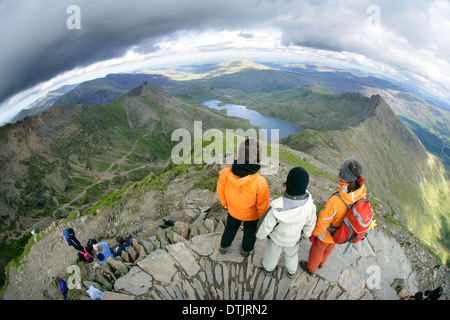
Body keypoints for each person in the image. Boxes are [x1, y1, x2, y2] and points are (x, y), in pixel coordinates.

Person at [300, 157, 366, 275]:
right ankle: (322, 263)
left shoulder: (336, 201)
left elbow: (324, 220)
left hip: (328, 232)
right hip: (342, 231)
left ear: (342, 176)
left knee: (317, 249)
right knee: (330, 247)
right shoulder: (361, 191)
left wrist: (315, 234)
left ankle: (311, 268)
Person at [256, 167, 317, 278]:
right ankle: (291, 271)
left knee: (272, 253)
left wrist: (260, 235)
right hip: (293, 239)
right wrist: (305, 235)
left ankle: (268, 269)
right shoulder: (310, 207)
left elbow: (266, 225)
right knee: (291, 255)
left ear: (288, 183)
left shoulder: (276, 206)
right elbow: (310, 224)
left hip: (276, 238)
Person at [217, 138, 270, 257]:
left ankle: (224, 246)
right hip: (251, 216)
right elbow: (263, 205)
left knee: (230, 228)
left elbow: (220, 191)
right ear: (257, 159)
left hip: (233, 210)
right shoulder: (260, 182)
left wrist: (225, 204)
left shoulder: (225, 173)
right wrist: (262, 219)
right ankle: (246, 250)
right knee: (250, 233)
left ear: (239, 155)